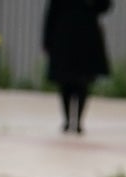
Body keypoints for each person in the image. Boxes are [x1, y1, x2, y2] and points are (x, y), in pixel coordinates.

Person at [44, 0, 112, 132]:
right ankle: (68, 120)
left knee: (83, 81)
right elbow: (52, 10)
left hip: (85, 36)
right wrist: (47, 40)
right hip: (64, 36)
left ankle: (78, 121)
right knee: (65, 82)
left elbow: (104, 6)